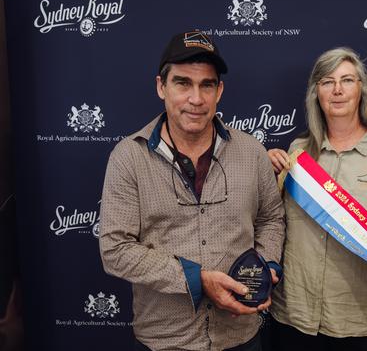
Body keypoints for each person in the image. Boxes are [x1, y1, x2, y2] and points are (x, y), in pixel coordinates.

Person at [99, 31, 285, 351]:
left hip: (240, 337)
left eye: (206, 85)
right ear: (162, 87)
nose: (196, 99)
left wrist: (265, 268)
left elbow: (271, 218)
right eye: (183, 83)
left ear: (219, 91)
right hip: (165, 341)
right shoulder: (128, 157)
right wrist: (197, 280)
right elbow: (115, 249)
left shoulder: (252, 152)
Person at [267, 47, 367, 351]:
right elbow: (272, 221)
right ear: (315, 92)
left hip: (357, 322)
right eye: (327, 81)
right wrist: (266, 175)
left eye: (347, 80)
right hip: (293, 316)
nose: (338, 90)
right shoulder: (298, 151)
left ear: (362, 89)